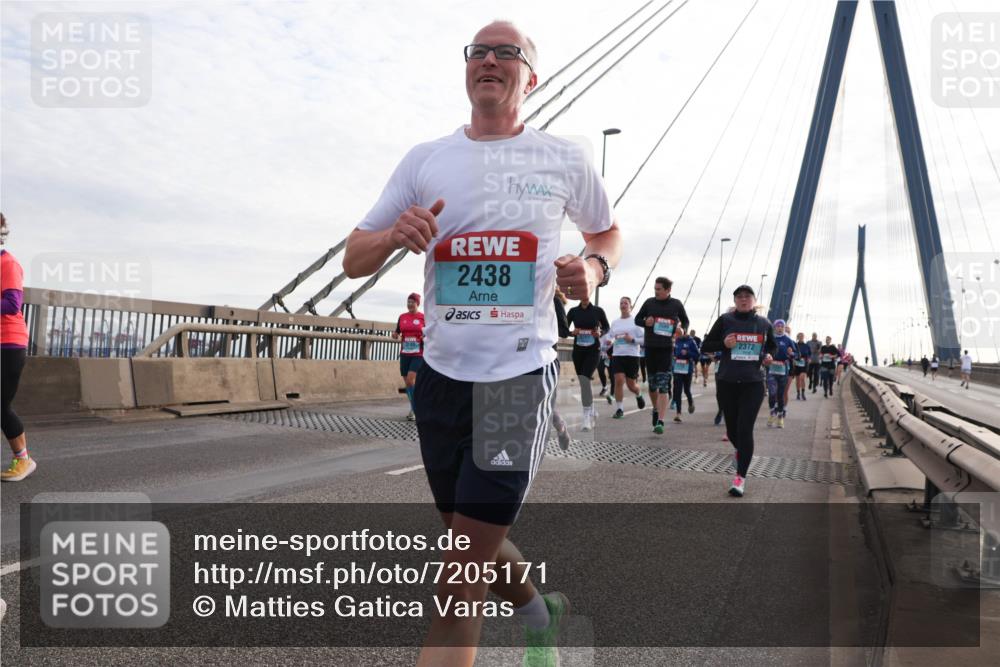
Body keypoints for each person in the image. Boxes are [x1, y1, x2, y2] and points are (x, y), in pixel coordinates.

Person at [341, 20, 622, 667]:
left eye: (506, 53)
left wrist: (594, 268)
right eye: (478, 52)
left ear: (530, 76)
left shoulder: (563, 158)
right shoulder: (425, 160)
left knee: (457, 571)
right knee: (471, 540)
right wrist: (391, 236)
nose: (489, 60)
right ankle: (536, 611)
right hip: (441, 381)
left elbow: (606, 233)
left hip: (515, 380)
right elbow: (354, 255)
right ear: (466, 68)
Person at [701, 285, 776, 497]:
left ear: (754, 300)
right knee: (733, 431)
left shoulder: (763, 323)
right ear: (735, 301)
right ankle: (740, 451)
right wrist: (724, 344)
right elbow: (705, 346)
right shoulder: (725, 321)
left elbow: (773, 346)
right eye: (739, 297)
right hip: (727, 382)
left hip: (753, 383)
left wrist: (769, 356)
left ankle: (740, 478)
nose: (743, 300)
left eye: (747, 297)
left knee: (745, 430)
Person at [633, 277, 689, 433]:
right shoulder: (649, 303)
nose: (655, 291)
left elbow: (685, 321)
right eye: (655, 288)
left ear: (667, 290)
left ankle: (661, 421)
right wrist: (646, 322)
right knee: (652, 385)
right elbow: (637, 319)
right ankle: (656, 409)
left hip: (666, 349)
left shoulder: (676, 304)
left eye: (658, 289)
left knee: (664, 385)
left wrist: (682, 330)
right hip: (650, 348)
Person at [1, 213, 33, 483]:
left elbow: (12, 304)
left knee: (1, 405)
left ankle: (23, 460)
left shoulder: (8, 263)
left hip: (9, 344)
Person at [565, 292, 609, 432]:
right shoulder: (573, 311)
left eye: (586, 292)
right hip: (578, 351)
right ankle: (592, 408)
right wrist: (572, 332)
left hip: (593, 350)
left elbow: (606, 327)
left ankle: (586, 417)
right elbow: (563, 329)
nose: (584, 295)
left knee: (584, 379)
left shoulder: (598, 311)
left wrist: (600, 333)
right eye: (581, 293)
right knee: (584, 382)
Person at [609, 296, 646, 419]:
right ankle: (620, 409)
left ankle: (638, 394)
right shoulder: (615, 322)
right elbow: (610, 336)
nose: (623, 305)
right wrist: (608, 341)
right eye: (621, 303)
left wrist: (633, 339)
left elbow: (645, 340)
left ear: (630, 306)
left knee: (631, 385)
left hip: (632, 356)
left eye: (626, 303)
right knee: (618, 380)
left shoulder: (636, 322)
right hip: (618, 355)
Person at [393, 292, 425, 421]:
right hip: (405, 353)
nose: (409, 304)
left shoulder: (424, 317)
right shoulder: (402, 317)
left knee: (411, 380)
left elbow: (430, 332)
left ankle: (415, 410)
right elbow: (397, 331)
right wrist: (395, 334)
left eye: (412, 302)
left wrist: (425, 336)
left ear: (417, 303)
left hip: (418, 353)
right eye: (408, 302)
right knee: (408, 383)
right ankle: (415, 407)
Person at [551, 288, 572, 450]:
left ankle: (561, 428)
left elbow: (564, 331)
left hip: (544, 357)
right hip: (514, 355)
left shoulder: (553, 301)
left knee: (544, 403)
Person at [766, 320, 795, 428]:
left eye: (781, 326)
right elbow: (764, 350)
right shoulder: (770, 339)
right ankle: (772, 412)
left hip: (783, 370)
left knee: (780, 394)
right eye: (777, 326)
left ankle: (780, 416)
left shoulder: (788, 340)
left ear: (784, 327)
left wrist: (791, 353)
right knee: (772, 393)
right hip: (772, 368)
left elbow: (796, 354)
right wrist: (765, 356)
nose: (780, 328)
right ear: (774, 327)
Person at [669, 326, 699, 425]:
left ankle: (691, 403)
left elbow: (697, 355)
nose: (676, 336)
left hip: (687, 369)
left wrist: (688, 353)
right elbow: (674, 352)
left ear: (683, 333)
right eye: (675, 334)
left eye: (678, 334)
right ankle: (678, 413)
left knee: (686, 390)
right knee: (677, 391)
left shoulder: (691, 341)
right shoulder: (676, 341)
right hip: (678, 368)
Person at [792, 331, 811, 401]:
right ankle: (798, 393)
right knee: (797, 380)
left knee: (802, 378)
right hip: (796, 364)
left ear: (803, 337)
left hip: (804, 364)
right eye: (799, 336)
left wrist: (809, 359)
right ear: (797, 337)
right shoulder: (794, 345)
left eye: (802, 336)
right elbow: (792, 354)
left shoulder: (806, 346)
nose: (801, 337)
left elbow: (809, 354)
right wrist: (793, 359)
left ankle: (803, 393)